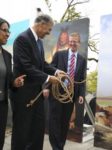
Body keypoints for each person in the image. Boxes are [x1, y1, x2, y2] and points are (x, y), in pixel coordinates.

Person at [11, 14, 62, 150]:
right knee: (22, 132)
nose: (49, 33)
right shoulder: (22, 39)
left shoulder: (39, 42)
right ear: (41, 25)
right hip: (23, 95)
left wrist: (56, 71)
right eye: (49, 29)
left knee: (37, 131)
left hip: (37, 94)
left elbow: (42, 64)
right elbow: (27, 67)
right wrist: (48, 78)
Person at [49, 32, 87, 150]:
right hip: (57, 94)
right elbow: (50, 69)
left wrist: (81, 94)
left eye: (74, 41)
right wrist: (46, 87)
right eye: (70, 41)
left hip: (71, 96)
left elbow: (82, 79)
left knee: (65, 122)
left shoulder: (82, 60)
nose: (72, 43)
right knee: (55, 121)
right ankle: (56, 146)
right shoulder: (59, 55)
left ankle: (60, 146)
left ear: (79, 43)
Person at [0, 17, 25, 150]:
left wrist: (14, 83)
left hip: (2, 106)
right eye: (4, 30)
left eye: (8, 31)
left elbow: (8, 81)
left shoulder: (7, 55)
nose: (7, 34)